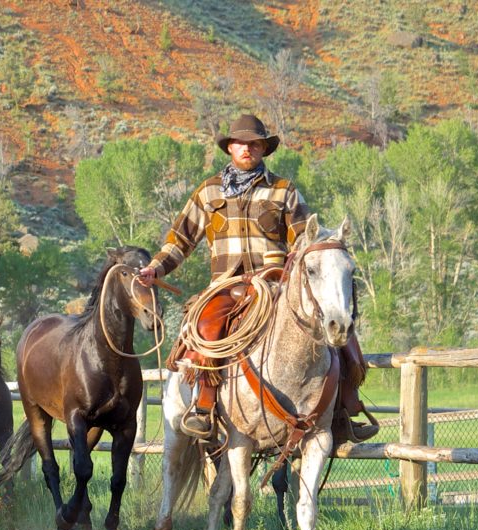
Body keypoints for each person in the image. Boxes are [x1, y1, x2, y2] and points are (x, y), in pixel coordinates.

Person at [138, 114, 374, 443]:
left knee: (341, 333)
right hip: (225, 287)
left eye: (254, 144)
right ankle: (203, 407)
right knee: (205, 327)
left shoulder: (284, 191)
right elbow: (180, 240)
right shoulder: (208, 192)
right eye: (241, 143)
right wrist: (156, 268)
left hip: (275, 285)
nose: (247, 149)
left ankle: (344, 409)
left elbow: (306, 241)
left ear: (264, 148)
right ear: (230, 148)